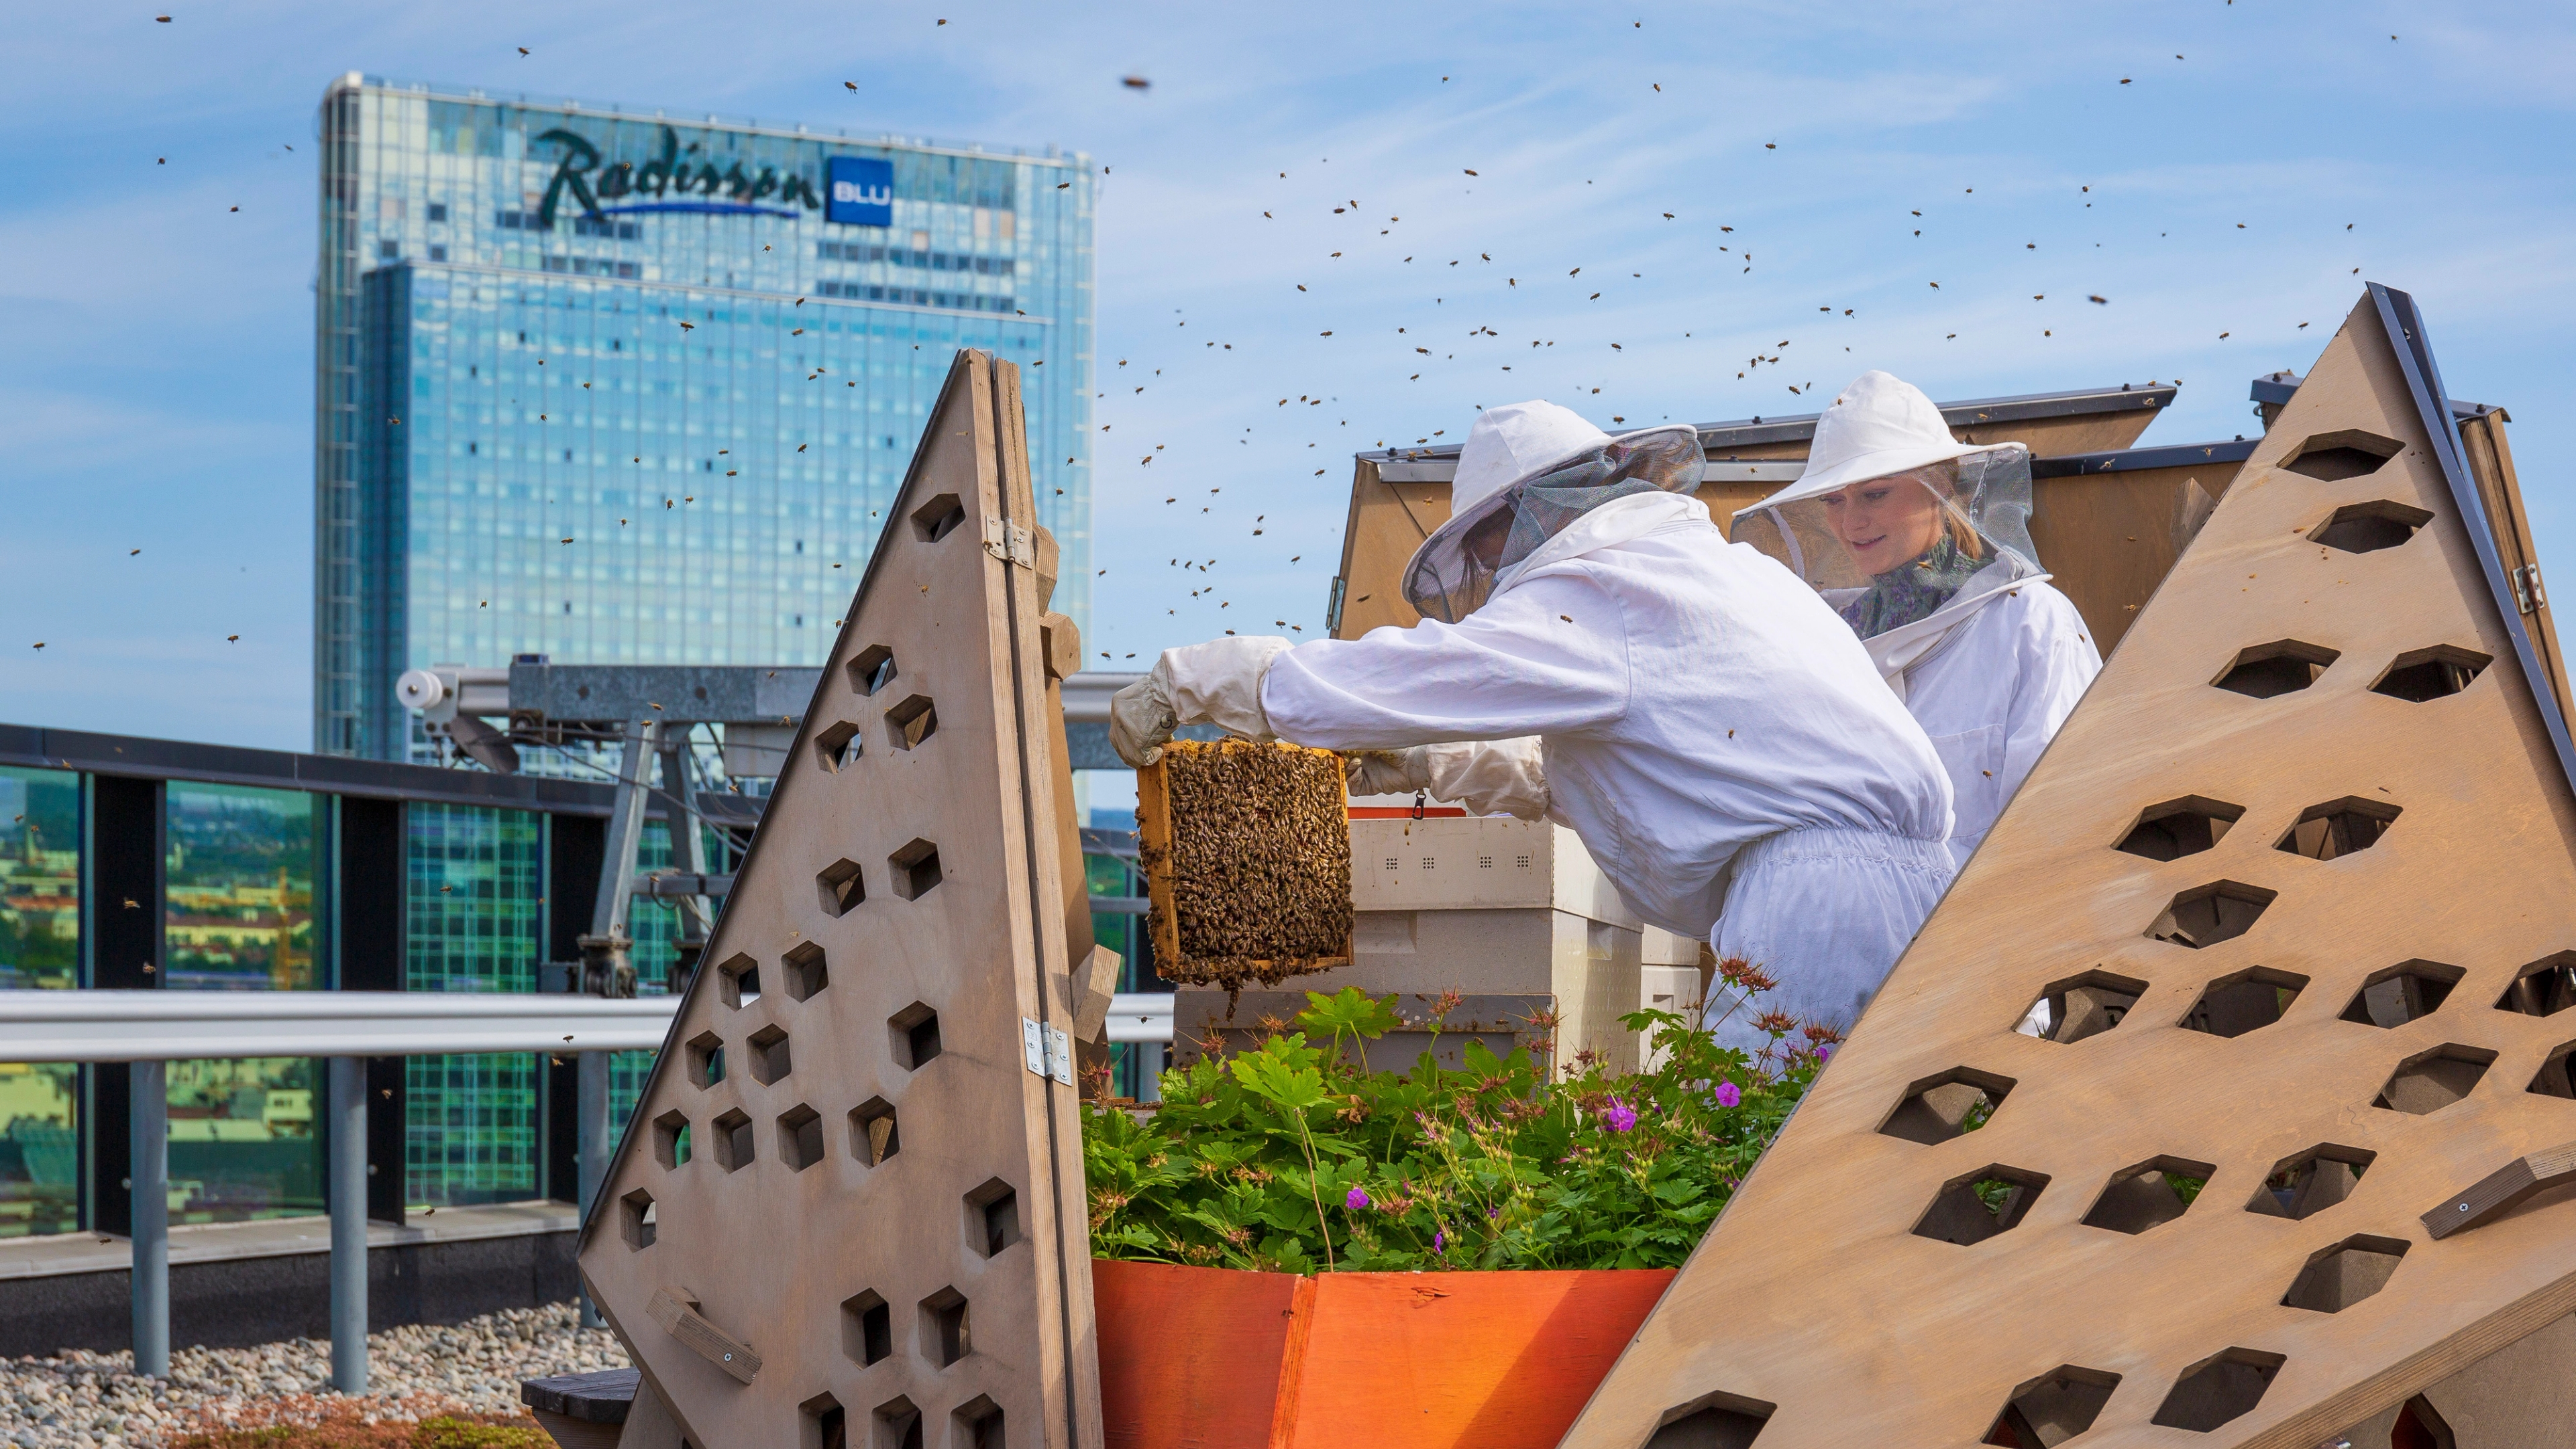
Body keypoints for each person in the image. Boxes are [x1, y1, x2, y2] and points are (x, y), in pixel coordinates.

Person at [1111, 400, 1957, 1044]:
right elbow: (1610, 775)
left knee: (1766, 1189)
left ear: (1528, 510)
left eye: (1480, 544)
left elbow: (1408, 675)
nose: (1481, 566)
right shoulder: (1700, 575)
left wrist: (1197, 680)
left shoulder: (1602, 588)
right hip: (1917, 893)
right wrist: (1424, 764)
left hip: (1820, 905)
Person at [1734, 371, 2102, 869]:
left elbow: (2063, 818)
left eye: (1875, 494)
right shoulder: (1829, 641)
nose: (1850, 523)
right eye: (1833, 500)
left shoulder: (2029, 624)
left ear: (1940, 486)